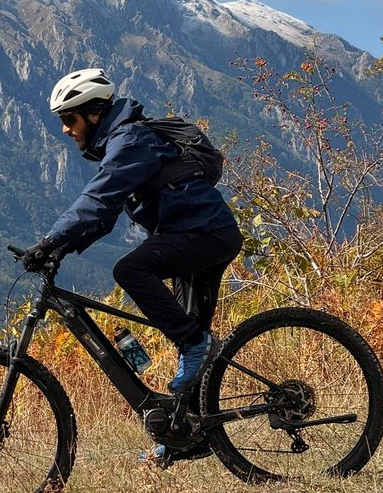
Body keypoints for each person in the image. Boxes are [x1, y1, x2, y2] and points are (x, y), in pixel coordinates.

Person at [22, 68, 243, 464]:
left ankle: (196, 345)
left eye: (68, 120)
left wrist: (50, 240)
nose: (64, 130)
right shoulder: (122, 141)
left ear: (92, 114)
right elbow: (104, 215)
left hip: (205, 235)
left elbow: (98, 198)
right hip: (195, 235)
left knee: (132, 273)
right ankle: (184, 435)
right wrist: (62, 249)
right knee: (191, 344)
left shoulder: (130, 139)